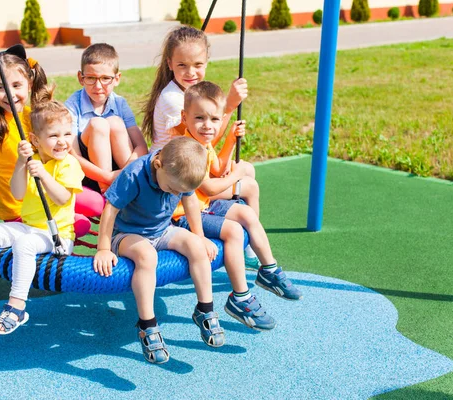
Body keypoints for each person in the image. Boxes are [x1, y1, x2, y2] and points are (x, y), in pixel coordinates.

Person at [0, 89, 85, 335]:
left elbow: (63, 197)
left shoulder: (68, 164)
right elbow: (18, 193)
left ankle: (17, 306)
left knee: (24, 243)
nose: (62, 140)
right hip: (31, 228)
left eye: (67, 133)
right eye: (53, 135)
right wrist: (22, 164)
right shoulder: (34, 161)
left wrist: (43, 174)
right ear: (34, 139)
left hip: (58, 237)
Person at [172, 81, 303, 330]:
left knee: (245, 213)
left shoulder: (203, 141)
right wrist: (239, 173)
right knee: (233, 230)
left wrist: (230, 139)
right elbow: (210, 186)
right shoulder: (186, 147)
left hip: (205, 206)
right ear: (184, 117)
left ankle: (269, 269)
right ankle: (240, 298)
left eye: (214, 119)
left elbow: (218, 169)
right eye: (199, 118)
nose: (207, 126)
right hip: (185, 216)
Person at [93, 137, 225, 364]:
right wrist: (104, 248)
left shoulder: (178, 177)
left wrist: (200, 236)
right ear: (157, 165)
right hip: (127, 234)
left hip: (162, 230)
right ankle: (147, 325)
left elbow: (191, 203)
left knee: (196, 246)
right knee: (147, 255)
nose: (176, 193)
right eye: (173, 189)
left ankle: (205, 309)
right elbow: (111, 209)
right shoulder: (134, 174)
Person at [141, 26, 261, 267]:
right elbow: (199, 144)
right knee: (248, 184)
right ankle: (249, 245)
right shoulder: (173, 100)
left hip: (196, 164)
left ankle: (248, 243)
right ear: (170, 64)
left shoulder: (190, 92)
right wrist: (228, 106)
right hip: (177, 177)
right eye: (182, 65)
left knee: (247, 169)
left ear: (206, 62)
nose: (191, 72)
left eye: (197, 64)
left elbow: (206, 149)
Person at [0, 44, 101, 240]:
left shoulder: (32, 117)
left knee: (96, 203)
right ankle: (63, 222)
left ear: (29, 83)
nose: (10, 94)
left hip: (46, 190)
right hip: (20, 210)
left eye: (16, 85)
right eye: (0, 87)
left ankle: (66, 216)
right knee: (81, 225)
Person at [65, 43, 148, 194]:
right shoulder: (72, 105)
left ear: (117, 78)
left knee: (114, 122)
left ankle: (129, 185)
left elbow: (141, 146)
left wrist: (125, 171)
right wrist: (107, 177)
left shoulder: (119, 103)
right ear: (80, 78)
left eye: (105, 78)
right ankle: (107, 192)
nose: (98, 86)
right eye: (91, 78)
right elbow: (73, 155)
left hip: (120, 171)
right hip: (90, 174)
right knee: (98, 124)